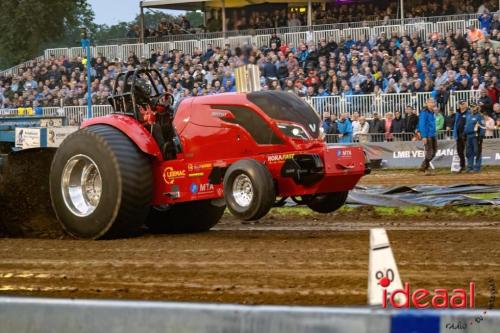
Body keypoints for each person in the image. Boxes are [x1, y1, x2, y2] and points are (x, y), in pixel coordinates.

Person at [418, 98, 437, 175]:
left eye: (433, 102)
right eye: (431, 102)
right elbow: (422, 124)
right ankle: (424, 168)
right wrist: (424, 136)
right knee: (430, 152)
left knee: (434, 152)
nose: (433, 103)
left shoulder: (432, 112)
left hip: (433, 134)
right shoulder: (424, 112)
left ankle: (424, 167)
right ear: (427, 103)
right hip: (428, 135)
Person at [465, 103, 485, 173]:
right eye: (471, 107)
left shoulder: (479, 116)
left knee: (477, 152)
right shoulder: (468, 115)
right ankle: (470, 167)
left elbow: (482, 126)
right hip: (468, 136)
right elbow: (466, 126)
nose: (472, 108)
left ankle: (477, 168)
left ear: (476, 107)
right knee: (469, 153)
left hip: (476, 136)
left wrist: (481, 135)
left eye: (473, 107)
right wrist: (464, 134)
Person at [453, 100, 470, 173]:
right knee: (460, 151)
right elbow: (455, 124)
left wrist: (465, 133)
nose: (462, 105)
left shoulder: (469, 112)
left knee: (468, 152)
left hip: (466, 135)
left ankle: (470, 166)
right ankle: (462, 166)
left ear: (466, 104)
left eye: (463, 104)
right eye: (460, 104)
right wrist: (455, 134)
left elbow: (469, 124)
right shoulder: (457, 113)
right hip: (458, 135)